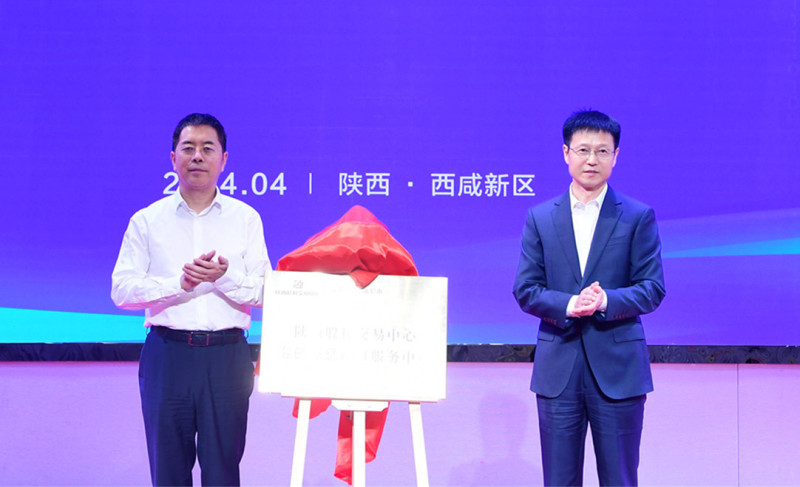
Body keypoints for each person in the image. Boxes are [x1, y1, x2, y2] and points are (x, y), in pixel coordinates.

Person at [111, 113, 270, 486]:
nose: (197, 156)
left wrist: (223, 278)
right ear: (173, 158)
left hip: (227, 358)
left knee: (223, 474)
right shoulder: (147, 221)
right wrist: (178, 284)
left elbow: (267, 291)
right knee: (168, 473)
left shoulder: (246, 219)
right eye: (188, 148)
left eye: (207, 148)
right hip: (168, 356)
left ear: (223, 160)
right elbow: (121, 290)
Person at [513, 110, 665, 486]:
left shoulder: (636, 216)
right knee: (559, 480)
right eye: (583, 150)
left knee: (620, 479)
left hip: (618, 371)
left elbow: (652, 288)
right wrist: (569, 305)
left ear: (616, 156)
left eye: (602, 151)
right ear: (566, 153)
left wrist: (605, 301)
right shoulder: (540, 217)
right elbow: (526, 289)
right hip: (558, 371)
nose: (592, 159)